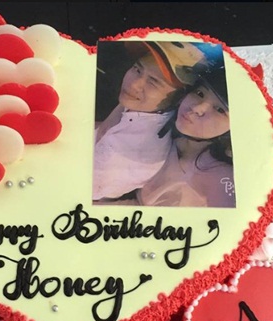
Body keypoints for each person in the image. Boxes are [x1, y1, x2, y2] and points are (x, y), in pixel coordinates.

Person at [92, 41, 206, 202]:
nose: (134, 84)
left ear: (179, 98)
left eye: (153, 82)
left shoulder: (125, 157)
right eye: (137, 69)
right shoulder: (141, 105)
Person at [136, 64, 236, 208]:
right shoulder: (165, 129)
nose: (196, 108)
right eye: (199, 93)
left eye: (220, 110)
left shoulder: (221, 175)